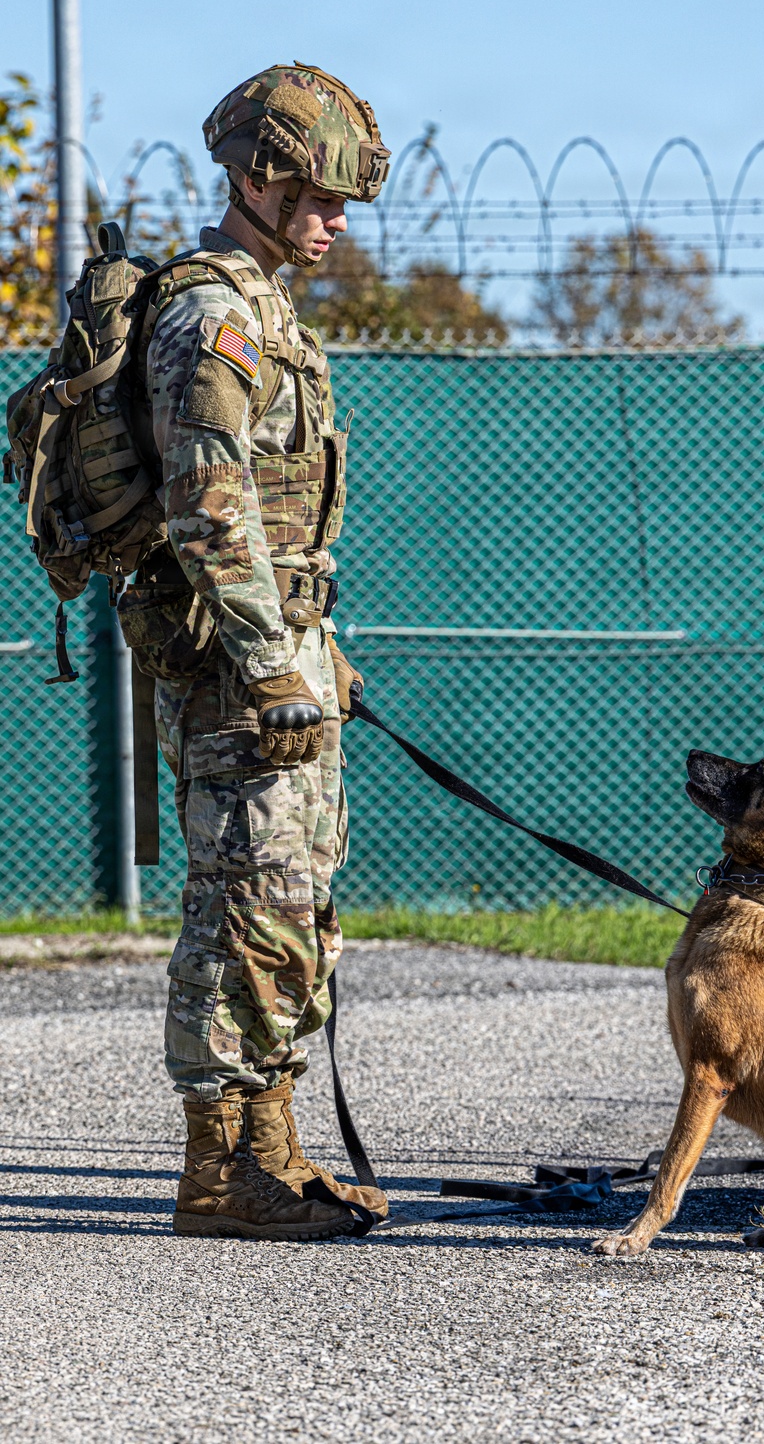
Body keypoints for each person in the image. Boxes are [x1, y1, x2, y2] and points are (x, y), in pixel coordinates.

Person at [137, 64, 390, 1239]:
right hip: (237, 664)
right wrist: (267, 654)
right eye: (319, 194)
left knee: (290, 906)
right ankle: (217, 1173)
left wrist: (312, 642)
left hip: (283, 643)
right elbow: (208, 498)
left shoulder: (267, 303)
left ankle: (274, 1154)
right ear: (255, 180)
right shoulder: (214, 314)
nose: (337, 219)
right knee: (240, 907)